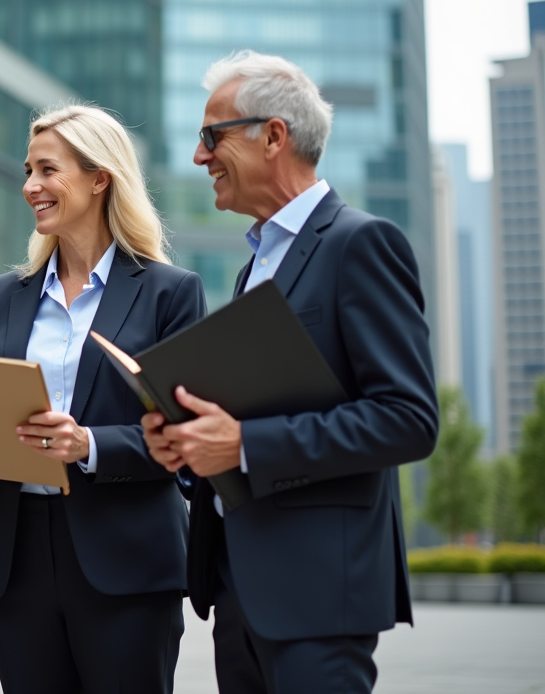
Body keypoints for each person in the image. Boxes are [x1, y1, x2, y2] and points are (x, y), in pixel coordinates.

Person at [142, 50, 438, 693]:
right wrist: (193, 447)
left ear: (273, 135)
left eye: (211, 136)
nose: (200, 157)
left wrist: (244, 444)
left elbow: (409, 420)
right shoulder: (256, 269)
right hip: (240, 593)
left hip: (319, 597)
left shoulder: (361, 244)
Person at [0, 105, 205, 693]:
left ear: (99, 177)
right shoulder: (1, 296)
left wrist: (88, 444)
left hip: (128, 557)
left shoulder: (170, 293)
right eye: (27, 171)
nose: (31, 186)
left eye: (47, 170)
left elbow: (186, 437)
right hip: (18, 558)